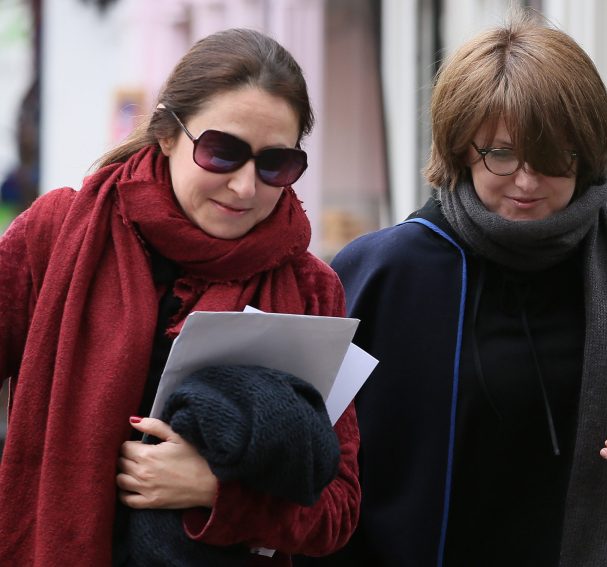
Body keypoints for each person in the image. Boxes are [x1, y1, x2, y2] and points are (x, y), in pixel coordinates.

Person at [298, 11, 607, 567]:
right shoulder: (389, 273)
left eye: (553, 157)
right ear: (459, 146)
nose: (526, 180)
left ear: (589, 153)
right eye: (500, 153)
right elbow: (322, 459)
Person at [0, 28, 360, 566]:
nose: (245, 187)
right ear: (167, 132)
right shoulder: (61, 230)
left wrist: (217, 495)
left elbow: (339, 509)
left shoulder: (311, 288)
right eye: (222, 152)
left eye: (275, 164)